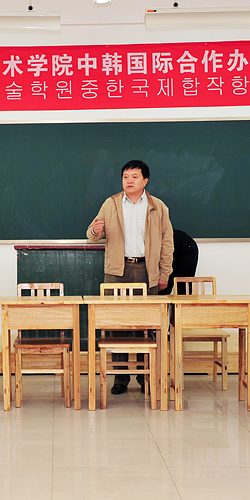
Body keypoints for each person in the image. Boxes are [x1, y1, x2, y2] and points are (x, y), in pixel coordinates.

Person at [86, 160, 174, 395]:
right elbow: (93, 234)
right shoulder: (111, 203)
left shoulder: (158, 207)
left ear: (145, 180)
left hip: (147, 270)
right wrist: (95, 230)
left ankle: (146, 377)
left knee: (148, 326)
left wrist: (164, 273)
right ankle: (120, 377)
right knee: (118, 326)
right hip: (118, 270)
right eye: (125, 177)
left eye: (134, 177)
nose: (129, 181)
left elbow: (167, 242)